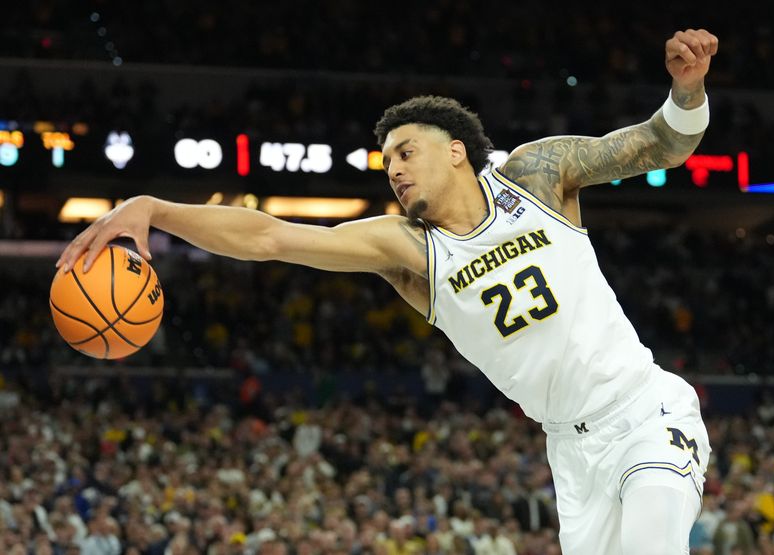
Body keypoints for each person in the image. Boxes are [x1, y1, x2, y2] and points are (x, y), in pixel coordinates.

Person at [57, 29, 719, 554]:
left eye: (406, 152)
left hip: (643, 411)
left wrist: (686, 92)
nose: (394, 170)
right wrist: (156, 207)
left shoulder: (534, 176)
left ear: (457, 150)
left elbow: (658, 146)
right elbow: (269, 237)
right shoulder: (409, 249)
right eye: (387, 163)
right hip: (571, 451)